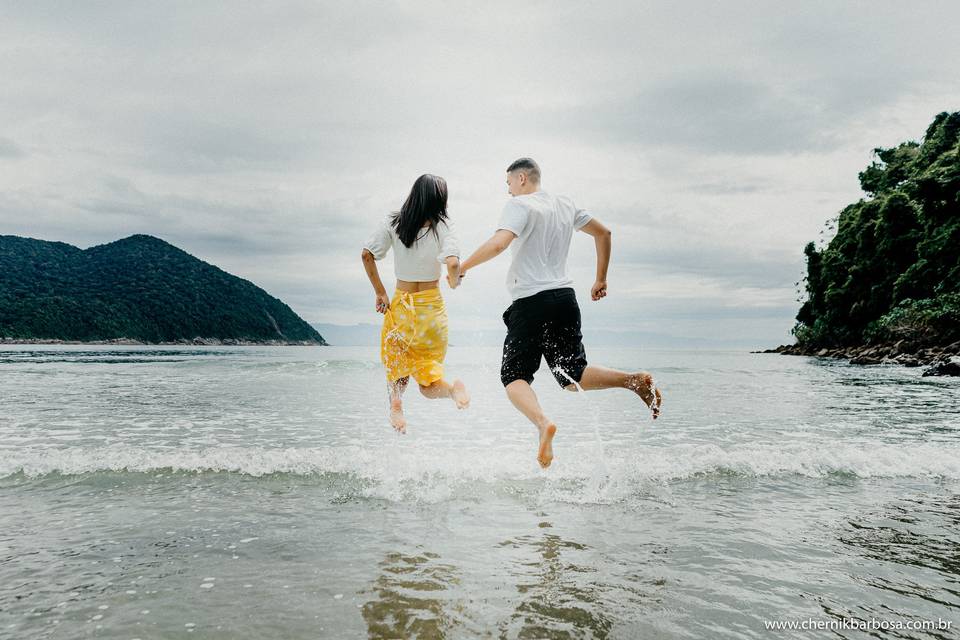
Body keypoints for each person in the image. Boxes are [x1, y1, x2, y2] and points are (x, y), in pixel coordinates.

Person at [458, 158, 662, 468]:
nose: (509, 190)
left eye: (509, 184)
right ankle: (632, 380)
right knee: (572, 374)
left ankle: (542, 423)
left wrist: (463, 267)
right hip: (565, 298)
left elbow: (500, 243)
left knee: (514, 376)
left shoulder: (520, 205)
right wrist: (600, 278)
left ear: (522, 178)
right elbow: (604, 233)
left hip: (530, 301)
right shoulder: (565, 204)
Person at [362, 174, 470, 433]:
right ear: (439, 200)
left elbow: (367, 254)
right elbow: (453, 264)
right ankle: (452, 390)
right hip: (431, 311)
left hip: (401, 307)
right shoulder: (443, 226)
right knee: (428, 383)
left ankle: (396, 403)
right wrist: (454, 281)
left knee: (396, 367)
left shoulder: (394, 222)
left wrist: (380, 293)